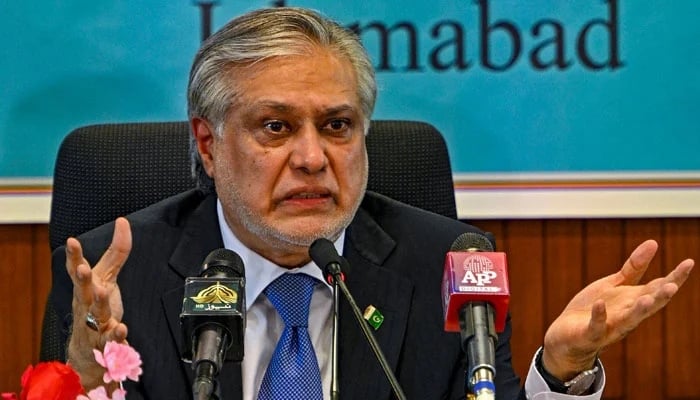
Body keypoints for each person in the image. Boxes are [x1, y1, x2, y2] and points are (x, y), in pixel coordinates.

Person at [47, 6, 694, 400]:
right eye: (275, 127)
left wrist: (562, 370)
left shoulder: (446, 262)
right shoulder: (114, 273)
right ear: (209, 145)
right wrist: (84, 378)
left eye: (337, 126)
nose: (311, 157)